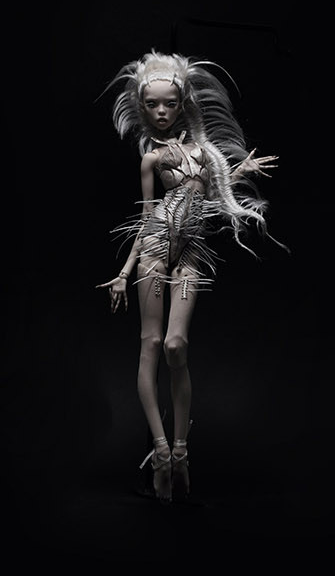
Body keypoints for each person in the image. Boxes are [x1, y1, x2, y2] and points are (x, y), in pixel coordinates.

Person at [96, 50, 284, 503]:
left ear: (184, 103)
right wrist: (123, 273)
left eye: (170, 103)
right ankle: (161, 453)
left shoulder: (206, 153)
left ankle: (182, 452)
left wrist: (239, 170)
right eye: (152, 105)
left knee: (176, 346)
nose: (161, 112)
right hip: (155, 251)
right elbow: (146, 219)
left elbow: (211, 194)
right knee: (151, 344)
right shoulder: (151, 160)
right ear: (142, 108)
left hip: (191, 253)